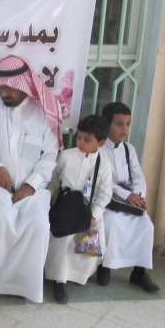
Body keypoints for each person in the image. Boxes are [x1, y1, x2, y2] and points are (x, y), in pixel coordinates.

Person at [0, 55, 61, 303]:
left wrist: (30, 186)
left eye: (9, 88)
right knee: (1, 220)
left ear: (25, 85)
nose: (3, 93)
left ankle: (27, 287)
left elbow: (50, 155)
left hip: (33, 186)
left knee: (38, 224)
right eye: (0, 87)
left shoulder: (43, 110)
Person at [45, 115, 112, 303]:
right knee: (64, 238)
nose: (81, 142)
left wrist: (94, 214)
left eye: (87, 140)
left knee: (93, 239)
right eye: (79, 137)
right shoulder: (66, 156)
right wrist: (48, 202)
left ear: (100, 143)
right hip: (65, 208)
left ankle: (78, 275)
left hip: (88, 212)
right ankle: (60, 280)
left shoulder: (104, 165)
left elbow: (105, 195)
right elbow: (52, 180)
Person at [98, 102, 159, 292]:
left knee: (145, 224)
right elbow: (103, 181)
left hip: (130, 200)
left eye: (128, 124)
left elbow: (138, 178)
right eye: (119, 124)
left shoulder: (128, 149)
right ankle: (105, 266)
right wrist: (127, 195)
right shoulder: (99, 148)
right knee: (112, 223)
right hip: (107, 199)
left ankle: (139, 272)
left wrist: (138, 197)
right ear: (107, 124)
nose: (124, 129)